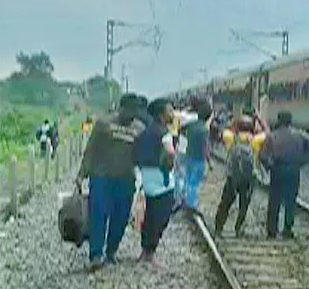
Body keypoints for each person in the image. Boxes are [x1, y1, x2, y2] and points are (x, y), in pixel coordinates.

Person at [76, 93, 145, 271]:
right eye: (128, 111)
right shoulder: (103, 124)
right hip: (101, 177)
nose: (131, 116)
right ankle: (96, 255)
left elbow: (142, 156)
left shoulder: (140, 129)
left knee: (121, 218)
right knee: (98, 215)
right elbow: (90, 150)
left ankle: (111, 251)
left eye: (134, 112)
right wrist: (81, 174)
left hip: (125, 180)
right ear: (120, 108)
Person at [133, 98, 177, 266]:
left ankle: (145, 251)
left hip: (147, 179)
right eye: (170, 110)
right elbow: (170, 154)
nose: (172, 113)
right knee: (161, 217)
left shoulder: (145, 132)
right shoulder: (164, 133)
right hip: (162, 180)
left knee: (149, 216)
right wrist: (171, 159)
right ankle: (150, 252)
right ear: (161, 115)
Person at [260, 111, 309, 239]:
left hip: (277, 169)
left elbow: (262, 156)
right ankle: (288, 229)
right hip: (294, 169)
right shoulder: (300, 135)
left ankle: (271, 231)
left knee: (274, 201)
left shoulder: (272, 136)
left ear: (279, 120)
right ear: (291, 121)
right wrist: (304, 161)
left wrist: (269, 166)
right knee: (291, 201)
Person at [214, 115, 258, 237]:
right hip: (249, 178)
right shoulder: (255, 140)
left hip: (232, 177)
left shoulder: (231, 137)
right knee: (243, 205)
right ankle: (238, 229)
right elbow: (268, 134)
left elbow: (223, 131)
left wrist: (234, 124)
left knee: (225, 203)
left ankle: (218, 228)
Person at [184, 99, 213, 214]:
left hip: (189, 156)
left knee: (189, 180)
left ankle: (188, 200)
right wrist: (209, 162)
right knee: (195, 183)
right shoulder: (204, 130)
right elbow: (206, 147)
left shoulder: (191, 125)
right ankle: (192, 205)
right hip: (199, 159)